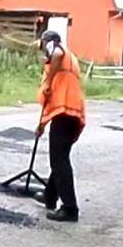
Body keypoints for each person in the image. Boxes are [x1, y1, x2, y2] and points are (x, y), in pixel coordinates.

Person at [35, 30, 86, 222]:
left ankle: (70, 208)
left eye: (43, 47)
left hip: (65, 113)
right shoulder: (70, 59)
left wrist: (47, 81)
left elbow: (54, 53)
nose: (44, 53)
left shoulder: (57, 50)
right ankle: (50, 197)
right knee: (60, 157)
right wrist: (41, 124)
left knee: (59, 160)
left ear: (48, 41)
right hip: (71, 112)